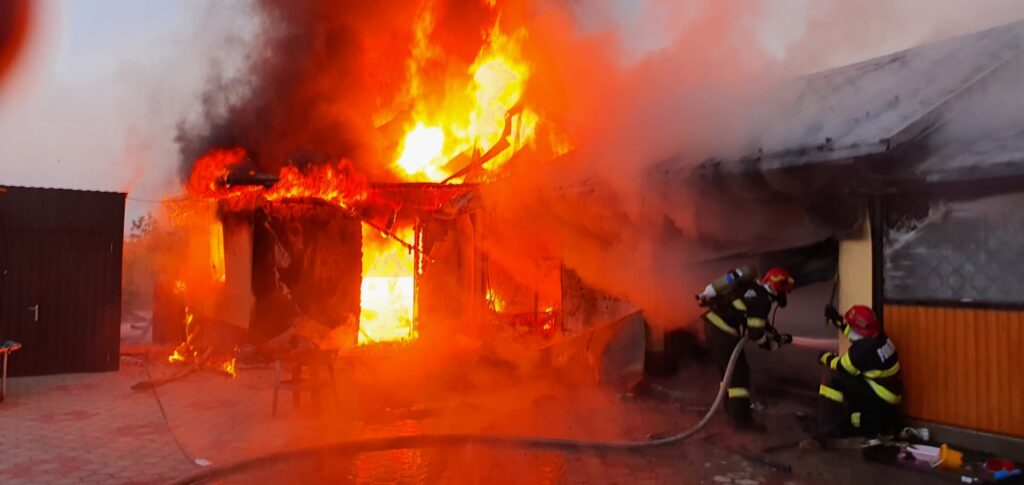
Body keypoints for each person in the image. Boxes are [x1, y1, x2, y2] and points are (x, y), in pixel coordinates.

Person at [697, 266, 795, 431]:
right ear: (777, 291)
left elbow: (754, 319)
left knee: (729, 374)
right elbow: (756, 334)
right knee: (739, 377)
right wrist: (771, 344)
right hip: (723, 332)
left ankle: (731, 413)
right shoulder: (762, 300)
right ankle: (742, 423)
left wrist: (771, 332)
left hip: (713, 327)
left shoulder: (753, 289)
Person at [811, 304, 903, 446]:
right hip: (889, 394)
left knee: (832, 377)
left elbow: (841, 366)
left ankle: (828, 428)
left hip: (879, 398)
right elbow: (856, 334)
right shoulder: (879, 336)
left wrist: (825, 357)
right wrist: (837, 320)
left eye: (851, 325)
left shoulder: (861, 351)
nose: (849, 328)